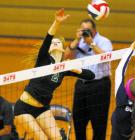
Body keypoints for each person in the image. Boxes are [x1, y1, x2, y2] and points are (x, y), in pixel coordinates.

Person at [14, 9, 95, 140]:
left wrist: (76, 70)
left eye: (58, 42)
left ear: (63, 48)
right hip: (24, 108)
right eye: (52, 43)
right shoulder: (43, 59)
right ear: (49, 48)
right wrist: (57, 22)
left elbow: (91, 76)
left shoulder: (64, 67)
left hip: (42, 109)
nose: (54, 43)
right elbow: (49, 37)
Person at [65, 19, 112, 140]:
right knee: (78, 121)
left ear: (94, 30)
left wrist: (92, 43)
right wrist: (76, 40)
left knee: (99, 123)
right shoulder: (79, 43)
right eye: (83, 30)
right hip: (81, 85)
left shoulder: (104, 41)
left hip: (99, 86)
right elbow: (65, 56)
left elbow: (105, 58)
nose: (85, 33)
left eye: (88, 30)